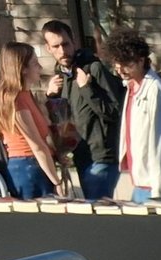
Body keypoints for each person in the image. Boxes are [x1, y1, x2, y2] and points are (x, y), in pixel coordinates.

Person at [41, 20, 123, 200]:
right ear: (48, 48)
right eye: (56, 46)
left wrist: (87, 88)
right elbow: (62, 121)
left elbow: (115, 112)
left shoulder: (94, 68)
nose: (62, 51)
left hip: (102, 156)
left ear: (74, 42)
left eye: (66, 44)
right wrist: (51, 97)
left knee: (98, 215)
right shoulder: (60, 77)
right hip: (81, 156)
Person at [103, 29, 161, 203]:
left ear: (141, 61)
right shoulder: (132, 87)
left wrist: (159, 192)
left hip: (157, 187)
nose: (119, 69)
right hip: (143, 183)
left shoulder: (156, 91)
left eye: (126, 63)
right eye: (116, 63)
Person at [0, 42, 67, 199]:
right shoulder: (16, 99)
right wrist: (57, 182)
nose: (39, 67)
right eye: (35, 63)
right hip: (27, 166)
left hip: (34, 164)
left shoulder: (25, 95)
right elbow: (36, 145)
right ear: (23, 68)